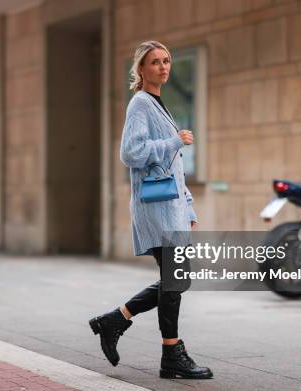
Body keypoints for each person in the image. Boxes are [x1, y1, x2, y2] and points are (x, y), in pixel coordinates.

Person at [88, 40, 212, 380]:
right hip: (156, 208)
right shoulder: (140, 104)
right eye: (155, 62)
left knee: (175, 280)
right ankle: (168, 352)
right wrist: (174, 140)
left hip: (170, 207)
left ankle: (118, 321)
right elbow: (131, 153)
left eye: (167, 60)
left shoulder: (157, 103)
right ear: (140, 70)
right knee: (176, 280)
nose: (163, 66)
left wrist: (188, 205)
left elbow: (173, 167)